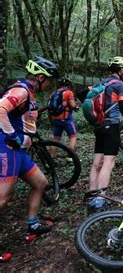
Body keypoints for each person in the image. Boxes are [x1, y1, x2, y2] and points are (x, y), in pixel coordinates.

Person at [0, 56, 60, 261]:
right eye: (50, 80)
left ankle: (32, 223)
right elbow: (0, 109)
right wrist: (12, 136)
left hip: (19, 151)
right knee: (2, 197)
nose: (51, 84)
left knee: (40, 183)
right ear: (41, 77)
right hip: (7, 148)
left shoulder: (30, 93)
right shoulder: (22, 90)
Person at [87, 56, 123, 213]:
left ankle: (91, 196)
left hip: (98, 126)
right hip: (111, 125)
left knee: (97, 162)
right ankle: (100, 200)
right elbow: (122, 105)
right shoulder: (120, 85)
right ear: (120, 70)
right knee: (108, 162)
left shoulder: (101, 83)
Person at [49, 78, 79, 152]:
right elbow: (72, 105)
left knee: (55, 138)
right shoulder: (69, 92)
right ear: (68, 85)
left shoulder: (53, 93)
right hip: (66, 119)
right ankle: (71, 156)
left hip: (55, 118)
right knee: (73, 136)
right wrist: (76, 106)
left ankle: (50, 157)